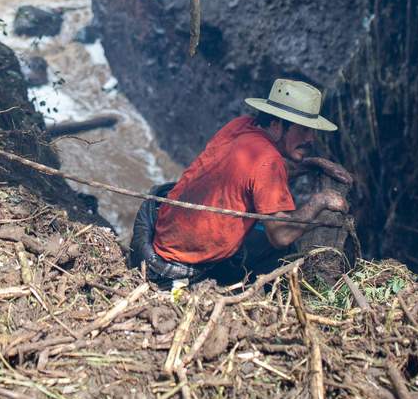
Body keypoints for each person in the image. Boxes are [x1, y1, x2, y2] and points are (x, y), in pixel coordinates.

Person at [130, 78, 352, 284]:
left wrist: (309, 166)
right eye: (304, 130)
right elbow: (281, 235)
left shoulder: (241, 127)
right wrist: (320, 201)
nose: (310, 138)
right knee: (284, 252)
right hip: (173, 268)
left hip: (160, 239)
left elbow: (256, 175)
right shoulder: (267, 160)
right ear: (276, 125)